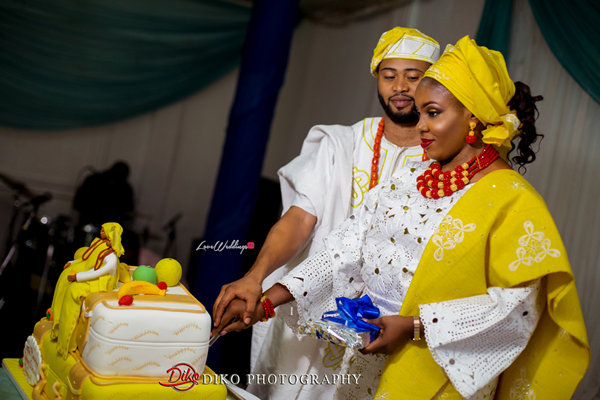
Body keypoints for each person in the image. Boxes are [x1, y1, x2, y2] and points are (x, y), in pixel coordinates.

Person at [217, 36, 590, 399]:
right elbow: (344, 250)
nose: (421, 125)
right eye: (422, 111)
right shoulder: (411, 180)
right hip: (364, 365)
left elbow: (518, 309)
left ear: (473, 117)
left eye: (433, 113)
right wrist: (266, 300)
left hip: (438, 375)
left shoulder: (513, 201)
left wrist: (414, 327)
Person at [212, 27, 440, 399]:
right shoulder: (341, 143)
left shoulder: (443, 164)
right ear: (376, 79)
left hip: (382, 327)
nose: (400, 86)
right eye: (389, 75)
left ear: (432, 85)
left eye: (414, 77)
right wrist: (256, 277)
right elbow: (300, 218)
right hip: (304, 311)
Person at [50, 222, 124, 358]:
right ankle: (57, 320)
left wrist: (78, 277)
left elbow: (98, 273)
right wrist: (72, 263)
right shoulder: (99, 245)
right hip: (92, 276)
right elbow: (87, 258)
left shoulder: (112, 257)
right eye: (101, 230)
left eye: (103, 231)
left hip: (100, 284)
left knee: (73, 290)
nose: (101, 233)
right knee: (64, 276)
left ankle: (68, 341)